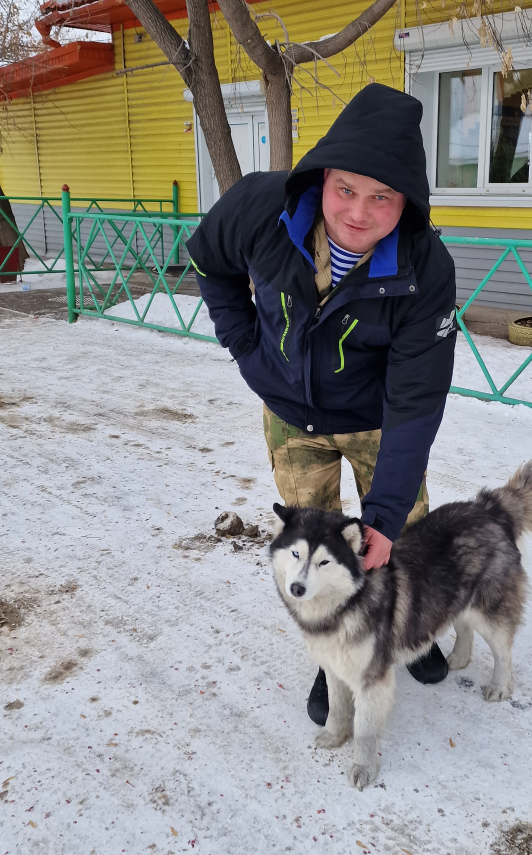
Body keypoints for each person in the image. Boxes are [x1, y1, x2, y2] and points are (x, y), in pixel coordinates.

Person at [186, 83, 457, 726]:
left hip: (375, 421)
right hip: (291, 416)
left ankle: (408, 628)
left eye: (382, 197)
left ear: (406, 202)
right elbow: (206, 258)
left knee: (403, 534)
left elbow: (418, 399)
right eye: (346, 190)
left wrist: (385, 518)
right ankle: (333, 653)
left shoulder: (425, 267)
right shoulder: (260, 206)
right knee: (314, 544)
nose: (358, 214)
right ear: (323, 176)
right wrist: (245, 344)